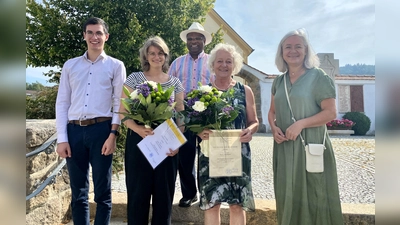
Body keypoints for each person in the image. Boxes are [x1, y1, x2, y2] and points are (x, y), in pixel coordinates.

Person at [267, 28, 344, 225]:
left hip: (310, 146)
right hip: (284, 147)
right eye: (288, 47)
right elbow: (272, 111)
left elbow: (331, 112)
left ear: (306, 50)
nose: (293, 51)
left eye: (298, 46)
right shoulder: (278, 81)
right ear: (281, 52)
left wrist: (301, 123)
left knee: (315, 194)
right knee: (287, 193)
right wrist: (274, 128)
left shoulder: (319, 77)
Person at [55, 17, 126, 225]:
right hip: (74, 131)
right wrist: (62, 138)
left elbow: (119, 103)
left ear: (106, 36)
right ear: (84, 36)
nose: (94, 37)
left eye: (98, 33)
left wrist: (113, 134)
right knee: (78, 193)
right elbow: (62, 102)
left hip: (102, 131)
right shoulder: (70, 66)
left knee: (102, 192)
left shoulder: (116, 65)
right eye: (90, 32)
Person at [119, 36, 184, 225]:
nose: (157, 57)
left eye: (161, 53)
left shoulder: (175, 82)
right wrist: (138, 129)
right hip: (140, 140)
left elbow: (181, 115)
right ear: (146, 56)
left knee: (164, 196)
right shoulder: (134, 78)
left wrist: (178, 142)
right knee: (138, 194)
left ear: (166, 56)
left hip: (166, 143)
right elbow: (123, 112)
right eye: (152, 53)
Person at [197, 43, 259, 225]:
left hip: (238, 154)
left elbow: (254, 121)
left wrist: (250, 130)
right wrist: (200, 131)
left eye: (228, 61)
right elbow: (195, 123)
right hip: (210, 154)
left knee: (237, 204)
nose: (224, 65)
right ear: (213, 64)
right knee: (212, 203)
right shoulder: (203, 92)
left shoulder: (244, 90)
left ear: (235, 65)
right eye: (220, 61)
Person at [168, 22, 214, 207]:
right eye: (190, 38)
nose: (194, 41)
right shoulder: (177, 63)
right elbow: (168, 88)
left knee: (208, 156)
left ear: (204, 41)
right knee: (185, 157)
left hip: (207, 115)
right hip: (183, 115)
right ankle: (189, 193)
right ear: (187, 41)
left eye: (197, 38)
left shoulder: (213, 61)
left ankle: (207, 194)